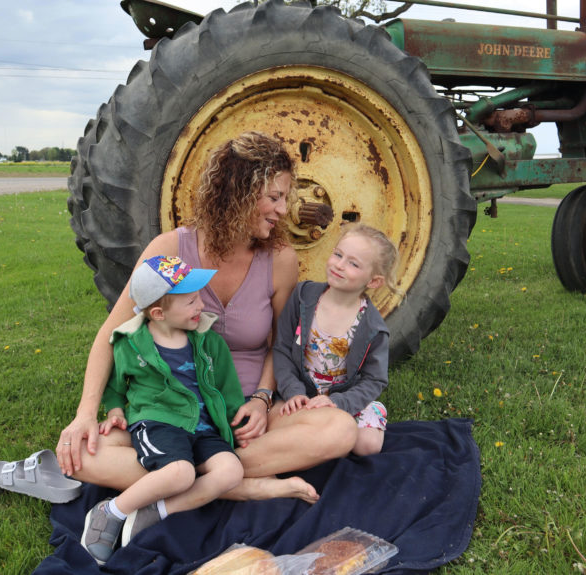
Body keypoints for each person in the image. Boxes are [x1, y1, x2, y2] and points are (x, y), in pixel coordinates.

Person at [56, 132, 358, 510]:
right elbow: (113, 333)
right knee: (80, 451)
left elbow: (279, 345)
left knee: (341, 429)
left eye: (285, 198)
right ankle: (239, 482)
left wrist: (264, 400)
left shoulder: (279, 259)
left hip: (243, 416)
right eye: (275, 197)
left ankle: (180, 474)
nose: (284, 210)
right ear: (238, 194)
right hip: (171, 411)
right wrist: (85, 414)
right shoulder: (170, 250)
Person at [81, 255, 245, 564]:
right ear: (158, 313)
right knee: (181, 473)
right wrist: (115, 410)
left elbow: (228, 387)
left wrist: (238, 420)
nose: (201, 306)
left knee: (231, 470)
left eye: (199, 298)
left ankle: (157, 510)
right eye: (191, 302)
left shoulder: (209, 342)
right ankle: (112, 511)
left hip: (204, 426)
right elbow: (115, 385)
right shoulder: (131, 345)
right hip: (158, 422)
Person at [273, 224, 397, 456]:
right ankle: (326, 441)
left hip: (344, 400)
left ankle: (329, 437)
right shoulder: (303, 297)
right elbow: (281, 349)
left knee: (368, 445)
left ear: (373, 281)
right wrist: (293, 392)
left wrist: (339, 403)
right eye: (338, 254)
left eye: (353, 263)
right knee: (280, 426)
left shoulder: (373, 327)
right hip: (302, 395)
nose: (339, 265)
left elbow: (374, 380)